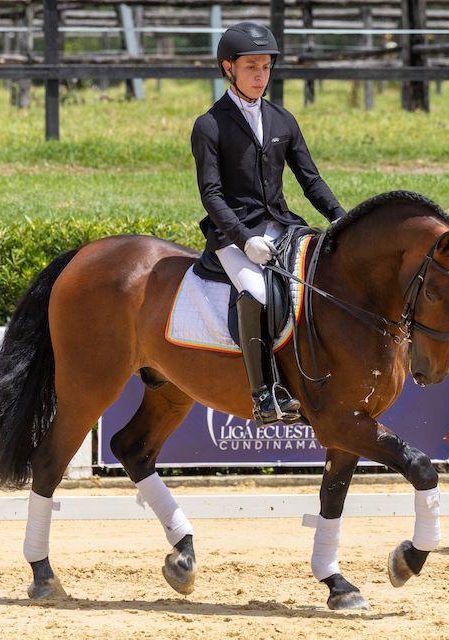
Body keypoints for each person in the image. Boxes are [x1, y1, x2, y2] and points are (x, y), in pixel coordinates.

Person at [191, 22, 346, 427]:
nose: (260, 75)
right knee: (256, 291)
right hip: (233, 234)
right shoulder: (210, 125)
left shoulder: (282, 119)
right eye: (251, 67)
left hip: (282, 225)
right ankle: (264, 395)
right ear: (228, 68)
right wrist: (244, 240)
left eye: (265, 67)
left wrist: (341, 218)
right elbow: (211, 195)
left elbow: (310, 180)